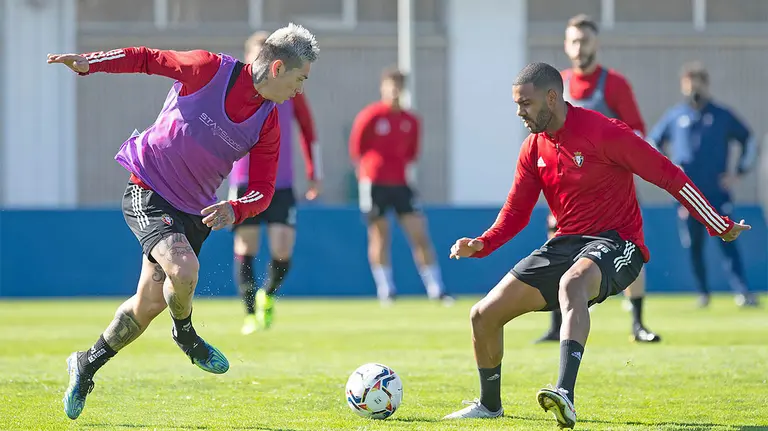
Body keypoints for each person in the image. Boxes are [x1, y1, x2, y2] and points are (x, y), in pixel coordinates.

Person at [442, 62, 749, 428]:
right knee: (482, 315)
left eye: (525, 103)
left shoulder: (605, 132)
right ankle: (489, 405)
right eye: (517, 104)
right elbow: (517, 213)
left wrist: (719, 224)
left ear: (551, 98)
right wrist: (482, 243)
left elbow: (669, 176)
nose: (519, 112)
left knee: (571, 284)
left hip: (620, 243)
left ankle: (565, 396)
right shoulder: (533, 148)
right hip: (567, 243)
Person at [48, 23, 319, 420]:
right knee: (184, 268)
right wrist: (92, 62)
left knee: (149, 302)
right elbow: (147, 58)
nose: (300, 90)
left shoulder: (268, 121)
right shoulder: (210, 69)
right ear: (277, 68)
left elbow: (262, 189)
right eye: (300, 79)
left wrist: (237, 209)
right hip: (149, 188)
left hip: (195, 211)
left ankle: (85, 364)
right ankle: (187, 336)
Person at [537, 14, 660, 344]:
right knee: (556, 251)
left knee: (629, 248)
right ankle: (554, 326)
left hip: (612, 190)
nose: (579, 47)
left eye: (585, 40)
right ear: (566, 45)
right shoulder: (557, 86)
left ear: (596, 44)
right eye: (574, 41)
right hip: (568, 193)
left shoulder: (614, 84)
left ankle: (637, 323)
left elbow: (638, 132)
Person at [230, 31, 320, 334]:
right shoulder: (237, 89)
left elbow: (308, 131)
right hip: (245, 181)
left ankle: (266, 295)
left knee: (283, 251)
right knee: (247, 246)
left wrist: (313, 172)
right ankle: (249, 314)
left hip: (281, 185)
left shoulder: (291, 90)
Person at [648, 62, 759, 308]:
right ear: (683, 86)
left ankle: (742, 292)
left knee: (729, 239)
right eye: (689, 83)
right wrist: (667, 173)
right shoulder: (675, 116)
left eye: (698, 83)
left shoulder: (721, 115)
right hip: (687, 195)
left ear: (705, 85)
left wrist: (738, 172)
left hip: (717, 194)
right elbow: (651, 143)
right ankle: (703, 294)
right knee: (694, 246)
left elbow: (749, 141)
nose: (694, 89)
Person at [349, 67, 453, 306]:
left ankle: (436, 288)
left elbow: (411, 154)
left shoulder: (411, 120)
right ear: (383, 88)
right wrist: (366, 174)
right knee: (380, 236)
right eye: (391, 85)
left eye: (399, 86)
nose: (395, 91)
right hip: (374, 183)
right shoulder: (371, 116)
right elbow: (357, 149)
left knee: (419, 234)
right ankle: (386, 289)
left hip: (401, 184)